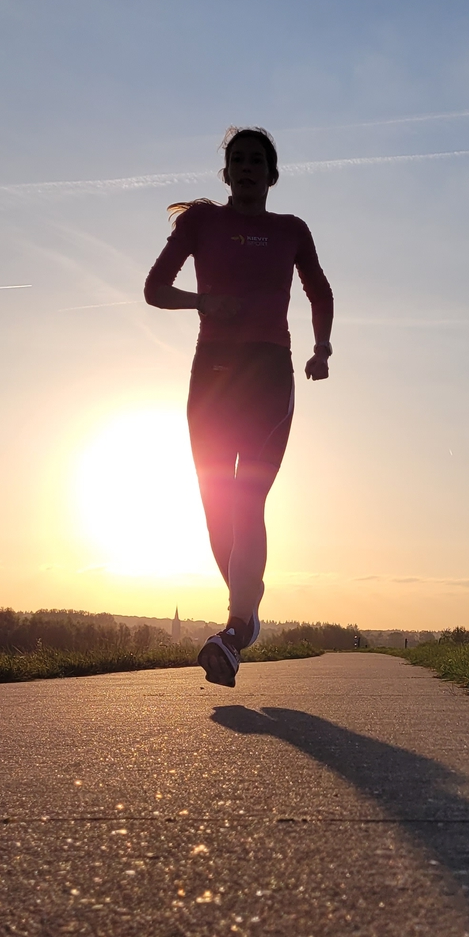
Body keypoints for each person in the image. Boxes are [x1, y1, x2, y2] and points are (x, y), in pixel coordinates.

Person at [144, 127, 333, 687]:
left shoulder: (291, 230)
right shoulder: (200, 224)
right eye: (237, 160)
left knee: (247, 498)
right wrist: (204, 301)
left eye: (257, 161)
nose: (247, 168)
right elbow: (155, 288)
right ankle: (248, 608)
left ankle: (232, 630)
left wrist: (322, 348)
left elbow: (319, 291)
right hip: (213, 372)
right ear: (225, 173)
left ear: (272, 175)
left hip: (269, 371)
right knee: (215, 506)